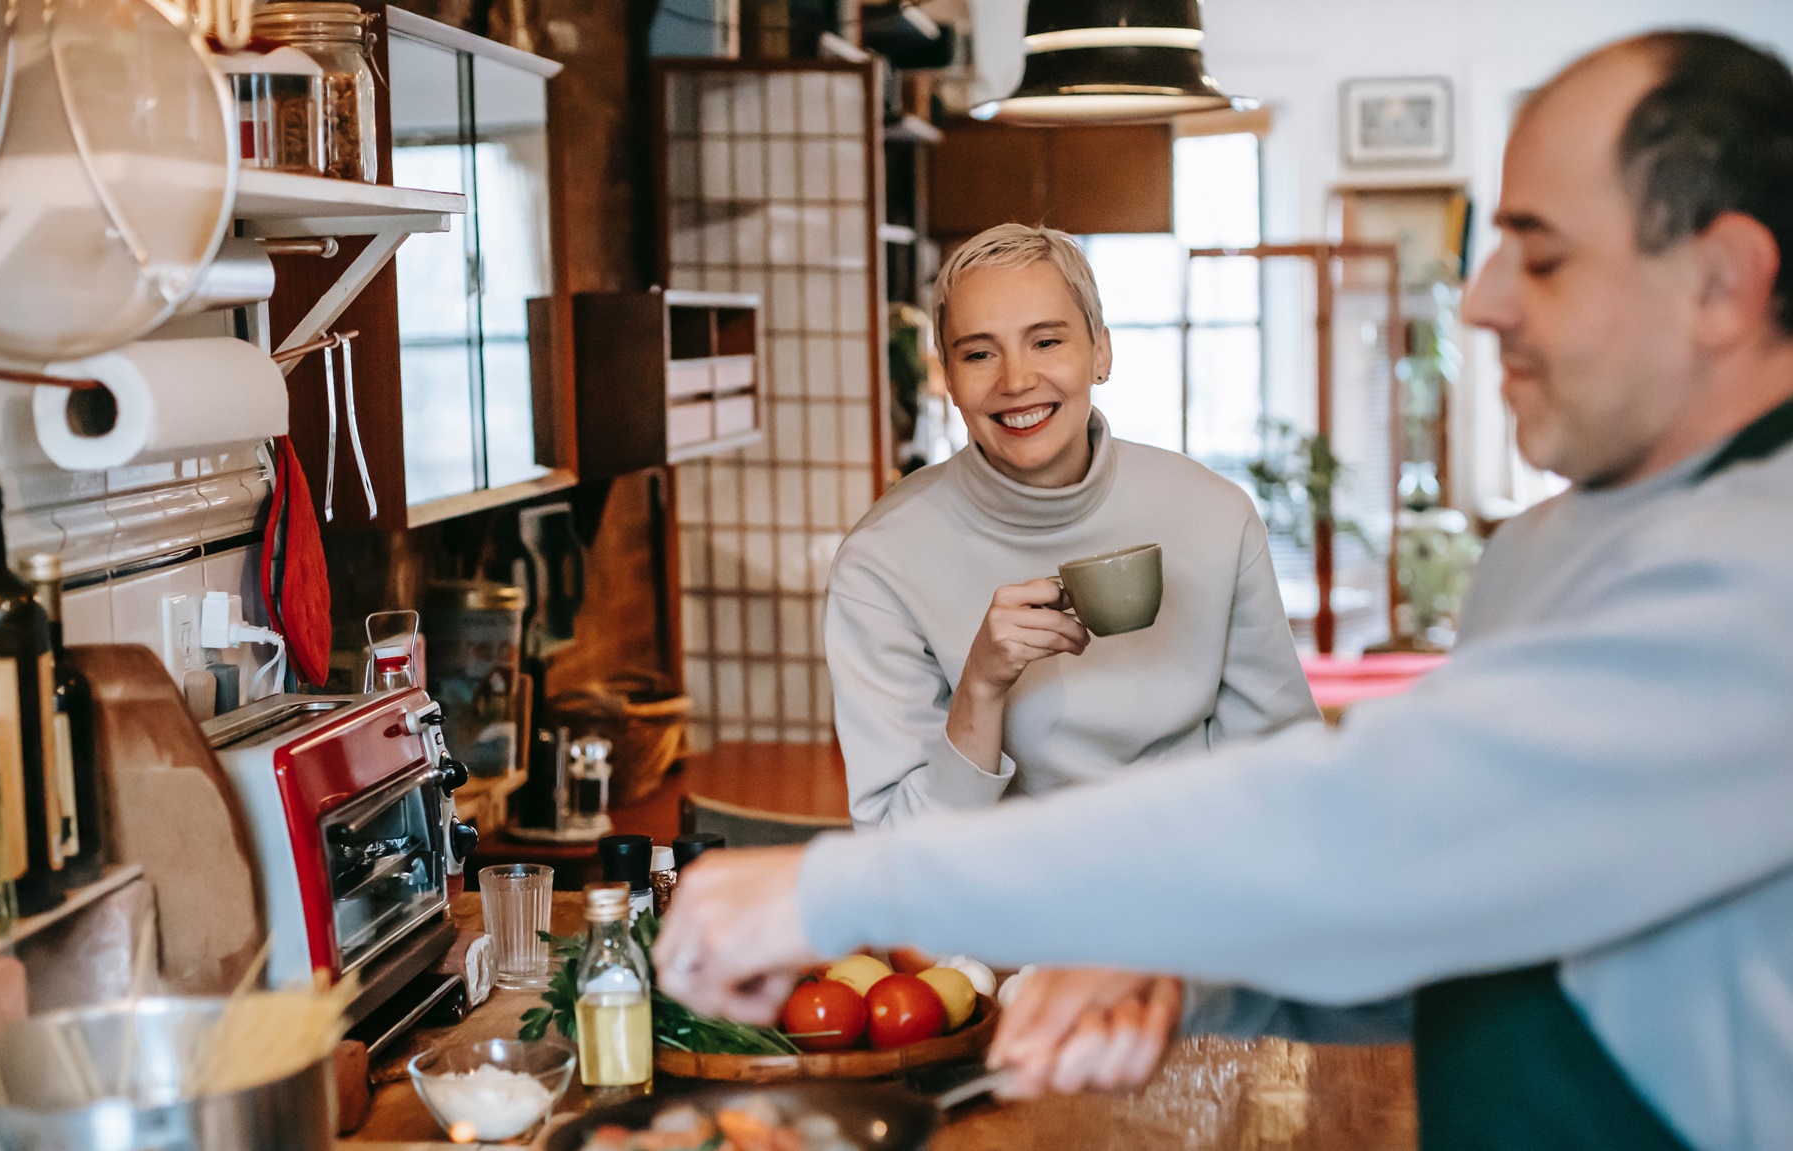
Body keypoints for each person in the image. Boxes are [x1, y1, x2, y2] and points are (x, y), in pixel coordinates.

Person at [656, 29, 1793, 1150]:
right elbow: (1465, 929)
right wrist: (1179, 963)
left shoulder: (1764, 577)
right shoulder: (1548, 548)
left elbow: (1385, 817)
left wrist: (840, 889)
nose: (1482, 300)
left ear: (1724, 282)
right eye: (978, 350)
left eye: (1540, 254)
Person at [827, 224, 1317, 827]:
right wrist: (980, 685)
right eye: (979, 354)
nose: (1016, 381)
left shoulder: (1215, 515)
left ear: (1101, 351)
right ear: (949, 380)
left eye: (1046, 342)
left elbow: (1283, 769)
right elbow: (892, 849)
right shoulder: (882, 562)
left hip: (1191, 896)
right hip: (1003, 911)